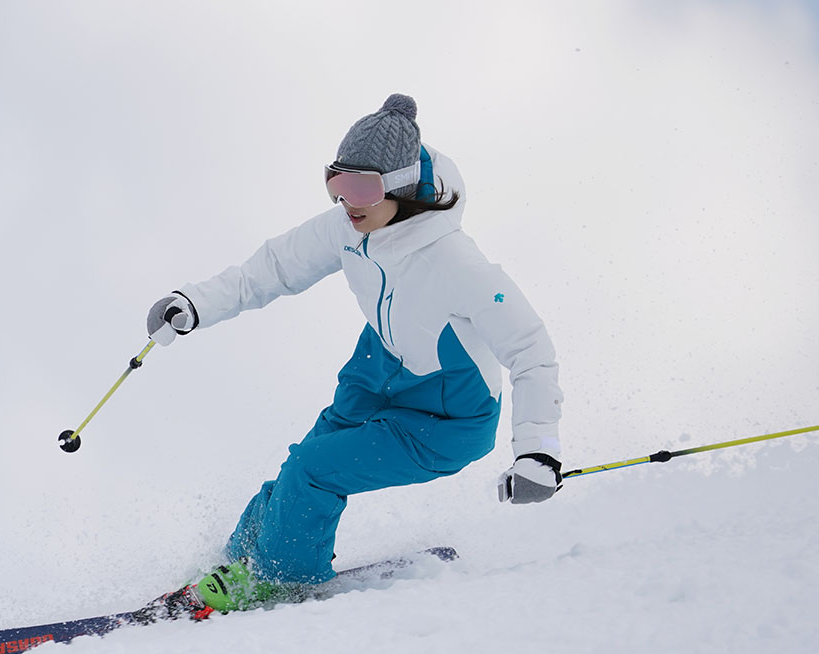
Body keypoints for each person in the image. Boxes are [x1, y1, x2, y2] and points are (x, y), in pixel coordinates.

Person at [145, 93, 565, 614]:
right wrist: (195, 304)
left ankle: (279, 579)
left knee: (316, 471)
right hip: (376, 374)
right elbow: (273, 268)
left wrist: (538, 452)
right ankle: (239, 564)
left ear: (403, 185)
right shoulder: (348, 226)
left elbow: (531, 350)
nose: (348, 201)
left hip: (446, 416)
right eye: (337, 183)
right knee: (299, 467)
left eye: (363, 187)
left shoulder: (457, 263)